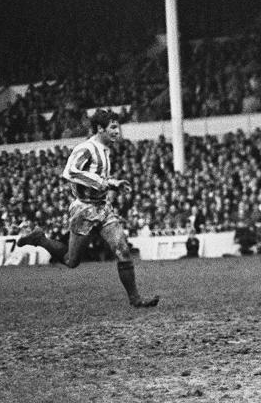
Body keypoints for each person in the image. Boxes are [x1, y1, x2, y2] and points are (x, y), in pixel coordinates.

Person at [17, 110, 159, 308]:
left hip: (103, 207)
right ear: (100, 129)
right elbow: (71, 172)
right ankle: (39, 239)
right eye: (113, 127)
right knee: (71, 260)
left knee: (123, 250)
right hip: (84, 209)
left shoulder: (106, 150)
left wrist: (111, 184)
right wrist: (106, 183)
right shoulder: (86, 148)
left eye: (117, 127)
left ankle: (135, 299)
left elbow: (98, 179)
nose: (117, 132)